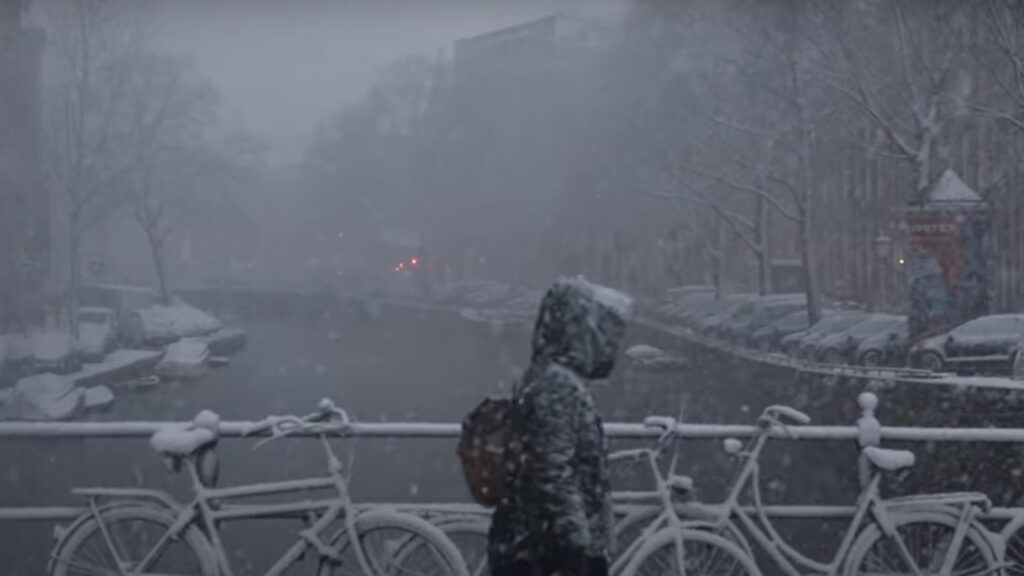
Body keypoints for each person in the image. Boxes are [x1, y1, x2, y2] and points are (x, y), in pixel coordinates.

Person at [488, 277, 631, 576]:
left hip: (532, 543)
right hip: (548, 550)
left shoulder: (546, 374)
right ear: (577, 329)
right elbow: (552, 471)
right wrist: (576, 545)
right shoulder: (557, 385)